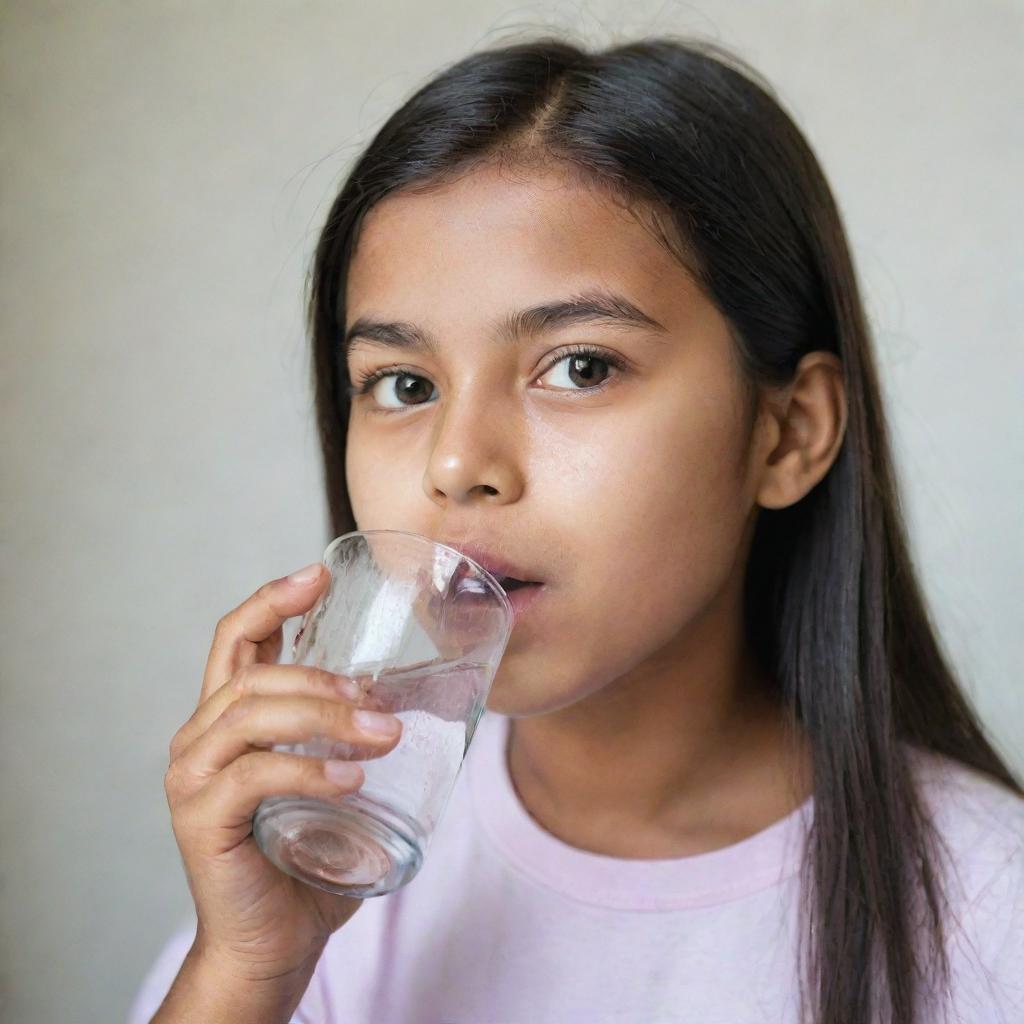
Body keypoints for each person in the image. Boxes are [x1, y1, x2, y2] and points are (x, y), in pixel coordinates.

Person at [126, 34, 1024, 1024]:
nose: (458, 464)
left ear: (787, 433)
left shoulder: (994, 910)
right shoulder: (326, 876)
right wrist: (245, 970)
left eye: (580, 366)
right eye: (402, 383)